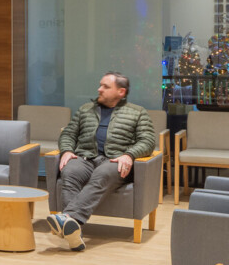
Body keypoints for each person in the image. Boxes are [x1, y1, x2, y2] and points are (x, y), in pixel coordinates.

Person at [45, 72, 157, 251]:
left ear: (121, 92)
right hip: (85, 157)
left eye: (105, 86)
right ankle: (73, 233)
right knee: (69, 171)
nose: (99, 89)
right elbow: (69, 133)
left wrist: (129, 155)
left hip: (115, 160)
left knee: (102, 174)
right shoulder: (85, 109)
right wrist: (66, 151)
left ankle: (67, 218)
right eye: (100, 85)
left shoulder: (137, 112)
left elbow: (148, 141)